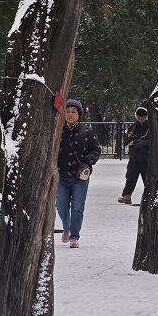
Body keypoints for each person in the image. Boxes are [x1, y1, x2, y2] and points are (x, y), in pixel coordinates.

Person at [56, 99, 101, 248]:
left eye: (73, 112)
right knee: (61, 206)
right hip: (61, 176)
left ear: (79, 114)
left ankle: (74, 236)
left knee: (77, 207)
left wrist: (88, 161)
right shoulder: (58, 131)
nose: (70, 114)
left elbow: (96, 149)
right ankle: (67, 227)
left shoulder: (87, 131)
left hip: (80, 176)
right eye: (67, 111)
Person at [118, 106, 150, 204]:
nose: (141, 119)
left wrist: (144, 143)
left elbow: (155, 141)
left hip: (146, 157)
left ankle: (150, 197)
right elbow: (125, 141)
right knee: (131, 176)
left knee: (147, 178)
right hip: (134, 156)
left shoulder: (150, 127)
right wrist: (128, 137)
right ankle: (127, 195)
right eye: (139, 117)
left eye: (143, 117)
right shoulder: (133, 127)